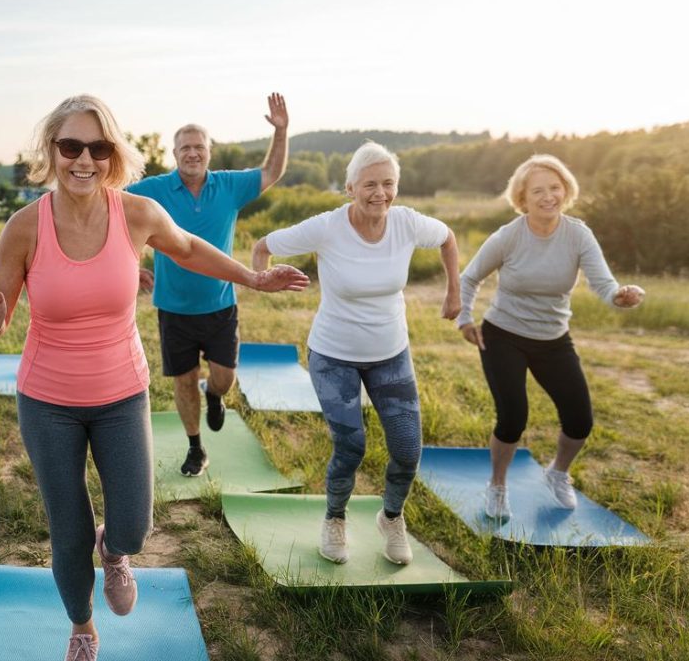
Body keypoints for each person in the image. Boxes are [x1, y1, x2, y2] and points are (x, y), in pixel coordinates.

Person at [0, 95, 308, 661]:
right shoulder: (24, 228)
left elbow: (191, 248)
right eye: (71, 146)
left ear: (112, 154)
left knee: (134, 524)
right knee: (67, 527)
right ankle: (82, 626)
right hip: (47, 399)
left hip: (121, 392)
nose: (83, 160)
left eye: (97, 148)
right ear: (53, 151)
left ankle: (116, 553)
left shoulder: (135, 213)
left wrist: (251, 277)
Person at [252, 141, 461, 566]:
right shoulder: (328, 227)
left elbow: (448, 238)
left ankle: (392, 517)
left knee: (407, 449)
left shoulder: (405, 223)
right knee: (352, 447)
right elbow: (263, 244)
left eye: (388, 183)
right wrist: (262, 278)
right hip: (333, 355)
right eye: (369, 184)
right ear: (350, 187)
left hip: (391, 354)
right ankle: (335, 519)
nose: (379, 192)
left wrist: (454, 291)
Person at [457, 154, 644, 519]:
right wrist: (465, 320)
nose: (548, 196)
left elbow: (604, 284)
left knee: (580, 420)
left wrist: (621, 296)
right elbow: (470, 277)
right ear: (523, 198)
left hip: (553, 338)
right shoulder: (509, 236)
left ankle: (557, 472)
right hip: (504, 334)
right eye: (538, 191)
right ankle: (497, 486)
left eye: (555, 188)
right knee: (512, 417)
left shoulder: (578, 234)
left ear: (566, 191)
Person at [126, 93, 289, 477]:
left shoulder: (229, 186)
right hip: (173, 308)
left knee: (224, 377)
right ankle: (195, 447)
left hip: (220, 305)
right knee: (183, 381)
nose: (193, 153)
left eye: (199, 147)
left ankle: (215, 395)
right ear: (174, 153)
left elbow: (271, 172)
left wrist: (281, 131)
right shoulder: (154, 190)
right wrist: (131, 265)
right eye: (186, 148)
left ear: (209, 152)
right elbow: (115, 216)